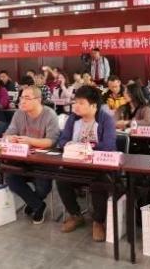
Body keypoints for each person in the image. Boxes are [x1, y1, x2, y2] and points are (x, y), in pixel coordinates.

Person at [56, 86, 116, 242]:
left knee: (98, 181)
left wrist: (85, 147)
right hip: (76, 164)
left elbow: (108, 145)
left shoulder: (106, 119)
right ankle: (76, 215)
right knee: (61, 178)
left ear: (94, 106)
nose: (76, 106)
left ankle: (98, 221)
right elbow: (62, 141)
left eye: (81, 103)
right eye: (75, 102)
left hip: (98, 166)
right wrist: (73, 146)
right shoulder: (73, 119)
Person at [4, 86, 61, 224]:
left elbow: (51, 141)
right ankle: (38, 205)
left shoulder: (50, 115)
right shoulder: (19, 114)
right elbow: (8, 133)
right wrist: (10, 138)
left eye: (27, 98)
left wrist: (30, 141)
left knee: (43, 188)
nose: (22, 101)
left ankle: (33, 203)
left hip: (44, 161)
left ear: (38, 100)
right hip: (22, 159)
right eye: (21, 98)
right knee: (10, 178)